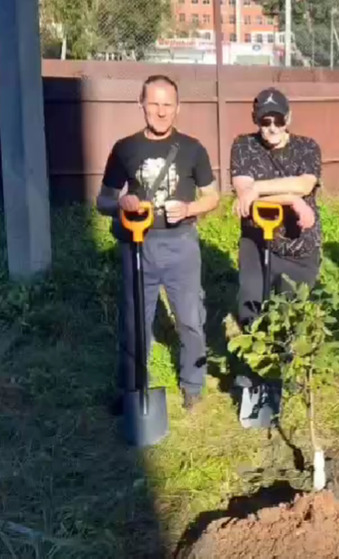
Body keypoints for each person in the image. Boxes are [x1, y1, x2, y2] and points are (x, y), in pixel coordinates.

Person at [97, 74, 219, 411]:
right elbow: (102, 200)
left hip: (181, 245)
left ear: (178, 108)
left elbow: (213, 197)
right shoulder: (125, 149)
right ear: (142, 105)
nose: (161, 111)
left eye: (168, 105)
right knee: (135, 319)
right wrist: (120, 204)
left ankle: (193, 384)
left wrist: (190, 208)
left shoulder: (193, 149)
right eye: (154, 104)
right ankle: (132, 390)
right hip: (138, 245)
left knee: (190, 317)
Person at [230, 87, 321, 328]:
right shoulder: (243, 146)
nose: (272, 127)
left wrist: (258, 188)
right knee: (252, 312)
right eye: (265, 121)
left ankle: (288, 363)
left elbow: (304, 184)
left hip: (298, 245)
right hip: (257, 242)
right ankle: (251, 362)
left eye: (278, 120)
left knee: (291, 317)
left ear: (288, 119)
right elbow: (244, 194)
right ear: (255, 119)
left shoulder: (307, 147)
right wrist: (291, 200)